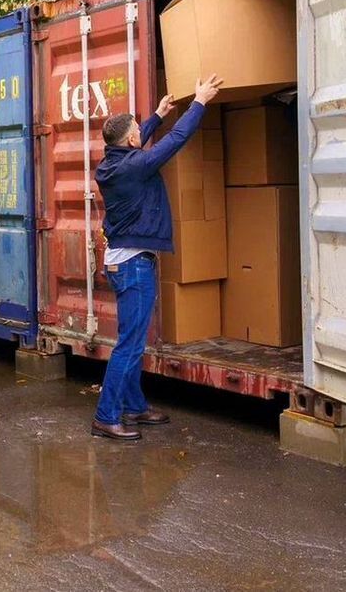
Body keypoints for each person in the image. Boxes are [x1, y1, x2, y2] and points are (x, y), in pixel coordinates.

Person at [90, 73, 225, 440]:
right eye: (139, 130)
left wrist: (156, 116)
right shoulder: (134, 165)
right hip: (134, 265)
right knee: (130, 345)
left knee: (131, 339)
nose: (140, 134)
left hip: (125, 261)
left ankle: (133, 408)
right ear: (132, 140)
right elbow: (177, 141)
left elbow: (134, 144)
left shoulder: (113, 163)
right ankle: (107, 416)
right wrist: (199, 101)